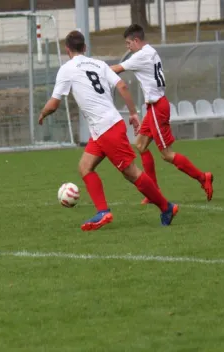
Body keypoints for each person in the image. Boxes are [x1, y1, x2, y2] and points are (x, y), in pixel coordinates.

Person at [38, 30, 179, 231]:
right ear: (85, 48)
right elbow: (122, 86)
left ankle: (166, 207)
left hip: (107, 129)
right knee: (85, 167)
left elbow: (53, 104)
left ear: (67, 50)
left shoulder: (67, 69)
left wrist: (43, 113)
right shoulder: (99, 64)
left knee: (131, 173)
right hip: (104, 128)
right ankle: (103, 212)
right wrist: (133, 113)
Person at [110, 24, 214, 205]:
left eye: (128, 43)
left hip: (158, 107)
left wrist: (93, 69)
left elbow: (116, 69)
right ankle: (154, 192)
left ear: (136, 41)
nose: (128, 47)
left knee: (166, 154)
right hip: (154, 107)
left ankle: (202, 177)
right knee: (141, 145)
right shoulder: (151, 51)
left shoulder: (141, 56)